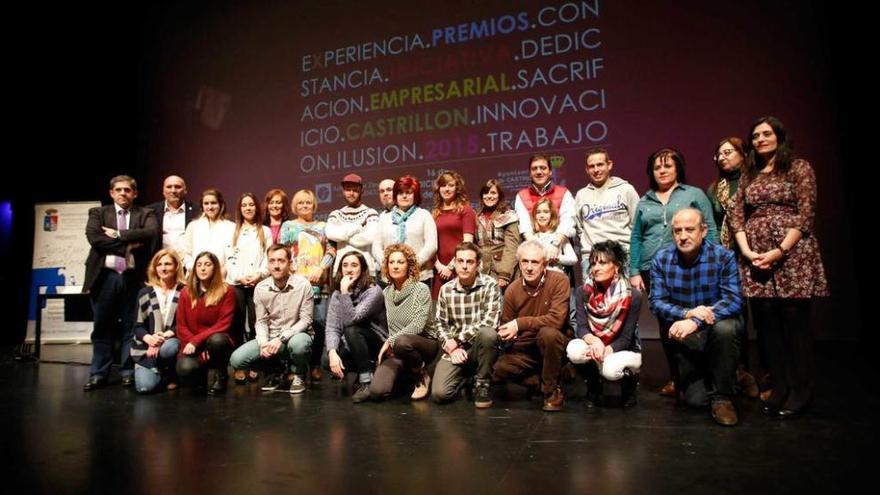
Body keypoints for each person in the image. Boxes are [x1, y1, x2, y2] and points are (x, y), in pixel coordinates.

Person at [731, 116, 829, 418]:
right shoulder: (750, 174)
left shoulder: (799, 168)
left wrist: (779, 250)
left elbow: (806, 213)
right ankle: (781, 386)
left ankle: (801, 389)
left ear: (779, 137)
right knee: (768, 325)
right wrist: (747, 251)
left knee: (794, 323)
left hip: (791, 254)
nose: (760, 139)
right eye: (756, 135)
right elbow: (737, 214)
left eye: (766, 134)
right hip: (755, 255)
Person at [629, 148, 718, 397]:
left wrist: (713, 262)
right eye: (657, 167)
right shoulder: (645, 200)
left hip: (688, 267)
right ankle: (676, 377)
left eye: (668, 166)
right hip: (651, 269)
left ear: (678, 168)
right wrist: (634, 270)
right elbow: (636, 237)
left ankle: (701, 376)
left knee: (693, 321)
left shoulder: (694, 194)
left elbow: (709, 229)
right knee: (666, 323)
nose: (663, 171)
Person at [650, 208, 744, 426]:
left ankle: (723, 396)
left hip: (715, 328)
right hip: (686, 334)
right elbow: (656, 302)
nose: (683, 236)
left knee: (727, 328)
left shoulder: (724, 257)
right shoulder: (662, 259)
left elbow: (734, 299)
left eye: (690, 229)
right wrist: (686, 313)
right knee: (695, 400)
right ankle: (718, 378)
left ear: (703, 231)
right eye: (677, 231)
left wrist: (696, 321)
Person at [83, 175, 158, 390]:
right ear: (111, 193)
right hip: (105, 277)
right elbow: (94, 238)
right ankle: (98, 373)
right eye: (119, 190)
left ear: (134, 193)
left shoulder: (146, 213)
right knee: (102, 327)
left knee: (130, 326)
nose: (123, 193)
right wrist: (127, 244)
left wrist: (116, 234)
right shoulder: (98, 213)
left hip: (133, 278)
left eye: (127, 190)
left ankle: (127, 371)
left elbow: (150, 233)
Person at [707, 137, 760, 398]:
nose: (723, 157)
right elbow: (713, 223)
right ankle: (738, 371)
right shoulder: (715, 187)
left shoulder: (757, 179)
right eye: (719, 154)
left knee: (762, 316)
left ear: (742, 153)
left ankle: (765, 375)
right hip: (727, 255)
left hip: (758, 251)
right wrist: (718, 254)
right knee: (735, 315)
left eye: (728, 152)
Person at [493, 240, 570, 411]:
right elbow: (507, 327)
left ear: (545, 264)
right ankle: (539, 380)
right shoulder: (512, 290)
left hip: (553, 344)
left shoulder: (559, 281)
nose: (529, 267)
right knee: (498, 369)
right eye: (524, 262)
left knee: (548, 334)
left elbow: (556, 320)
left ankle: (551, 391)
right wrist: (509, 334)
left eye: (534, 262)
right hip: (526, 347)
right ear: (519, 263)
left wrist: (520, 324)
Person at [229, 244, 314, 394]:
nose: (276, 266)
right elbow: (261, 321)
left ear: (289, 263)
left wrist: (281, 338)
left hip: (296, 335)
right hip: (271, 337)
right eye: (272, 261)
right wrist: (263, 343)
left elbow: (306, 320)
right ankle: (276, 370)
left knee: (300, 344)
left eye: (281, 261)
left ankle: (298, 373)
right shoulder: (261, 288)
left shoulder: (303, 285)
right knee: (237, 359)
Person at [566, 241, 642, 408]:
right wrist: (596, 342)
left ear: (616, 266)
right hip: (595, 343)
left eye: (603, 262)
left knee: (610, 370)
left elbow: (627, 337)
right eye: (593, 263)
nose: (596, 268)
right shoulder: (582, 292)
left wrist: (605, 351)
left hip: (622, 347)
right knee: (574, 350)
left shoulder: (632, 295)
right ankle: (594, 387)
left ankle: (629, 385)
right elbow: (582, 327)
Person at [431, 242, 501, 407]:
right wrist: (451, 345)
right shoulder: (446, 289)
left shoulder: (490, 285)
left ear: (478, 264)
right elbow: (440, 322)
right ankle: (467, 378)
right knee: (439, 394)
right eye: (460, 261)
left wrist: (459, 341)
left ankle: (482, 383)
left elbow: (489, 322)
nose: (464, 266)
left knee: (488, 334)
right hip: (456, 350)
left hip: (480, 347)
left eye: (469, 262)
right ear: (454, 263)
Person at [370, 244, 438, 401]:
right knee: (377, 391)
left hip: (424, 344)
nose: (395, 266)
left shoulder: (420, 289)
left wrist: (390, 341)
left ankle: (421, 373)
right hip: (398, 347)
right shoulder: (386, 292)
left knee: (402, 342)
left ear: (409, 265)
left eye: (400, 262)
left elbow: (418, 325)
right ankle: (406, 373)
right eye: (391, 262)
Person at [280, 189, 335, 382]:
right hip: (293, 285)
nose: (305, 206)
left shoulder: (323, 226)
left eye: (308, 203)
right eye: (301, 203)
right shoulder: (288, 226)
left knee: (318, 325)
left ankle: (315, 364)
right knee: (292, 325)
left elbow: (331, 251)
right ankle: (292, 366)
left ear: (314, 205)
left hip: (318, 286)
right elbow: (282, 252)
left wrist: (321, 268)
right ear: (295, 206)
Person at [324, 250, 387, 403]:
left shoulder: (373, 291)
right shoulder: (336, 294)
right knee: (326, 361)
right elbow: (332, 326)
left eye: (354, 265)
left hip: (376, 342)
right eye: (345, 265)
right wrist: (332, 352)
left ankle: (366, 381)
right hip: (353, 341)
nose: (349, 269)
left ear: (362, 268)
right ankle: (365, 368)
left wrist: (345, 292)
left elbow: (352, 319)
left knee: (351, 329)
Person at [225, 193, 272, 383]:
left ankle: (254, 362)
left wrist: (259, 275)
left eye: (251, 204)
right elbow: (230, 258)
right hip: (237, 283)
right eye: (244, 205)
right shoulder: (233, 230)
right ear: (240, 209)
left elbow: (269, 257)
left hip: (258, 283)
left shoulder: (265, 231)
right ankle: (238, 365)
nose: (248, 208)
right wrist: (239, 276)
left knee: (256, 322)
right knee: (236, 323)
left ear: (257, 207)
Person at [175, 251, 236, 395]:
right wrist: (195, 345)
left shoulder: (226, 291)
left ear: (215, 268)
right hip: (193, 345)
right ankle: (201, 373)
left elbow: (223, 324)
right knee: (184, 369)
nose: (202, 268)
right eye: (199, 265)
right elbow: (181, 325)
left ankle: (221, 374)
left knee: (217, 340)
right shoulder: (186, 292)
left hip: (214, 343)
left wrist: (197, 341)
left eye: (207, 265)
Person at [574, 148, 639, 279]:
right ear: (587, 170)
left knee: (625, 299)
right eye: (591, 166)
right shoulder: (581, 195)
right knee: (593, 300)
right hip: (592, 259)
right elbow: (580, 229)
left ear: (609, 165)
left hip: (622, 257)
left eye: (600, 164)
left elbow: (637, 226)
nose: (596, 169)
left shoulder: (626, 189)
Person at [131, 248, 185, 393]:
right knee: (145, 388)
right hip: (147, 347)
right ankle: (156, 371)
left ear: (176, 267)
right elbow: (137, 326)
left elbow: (185, 323)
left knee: (169, 348)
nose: (163, 268)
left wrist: (163, 336)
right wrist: (149, 339)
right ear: (154, 268)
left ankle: (170, 372)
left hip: (171, 340)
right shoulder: (145, 292)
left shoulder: (184, 291)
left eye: (168, 264)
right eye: (159, 264)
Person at [373, 175, 437, 286]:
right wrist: (387, 264)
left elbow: (431, 245)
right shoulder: (384, 218)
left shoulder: (424, 215)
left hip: (418, 276)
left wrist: (412, 265)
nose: (404, 196)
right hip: (390, 278)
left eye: (408, 193)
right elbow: (376, 246)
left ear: (415, 195)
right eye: (400, 193)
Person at [431, 171, 476, 299]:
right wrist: (439, 267)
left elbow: (468, 243)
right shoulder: (435, 213)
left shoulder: (466, 210)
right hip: (439, 271)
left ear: (457, 189)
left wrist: (451, 266)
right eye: (443, 185)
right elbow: (431, 243)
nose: (447, 189)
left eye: (451, 185)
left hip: (460, 268)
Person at [514, 153, 576, 244]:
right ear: (530, 173)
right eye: (534, 169)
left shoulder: (564, 193)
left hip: (560, 249)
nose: (539, 172)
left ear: (550, 172)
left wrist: (554, 245)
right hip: (532, 250)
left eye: (543, 168)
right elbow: (524, 226)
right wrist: (536, 249)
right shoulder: (521, 195)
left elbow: (567, 222)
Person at [326, 174, 380, 276]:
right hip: (341, 270)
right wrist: (358, 228)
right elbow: (331, 234)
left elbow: (369, 237)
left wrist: (344, 238)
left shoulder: (371, 213)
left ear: (361, 191)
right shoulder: (335, 214)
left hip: (366, 271)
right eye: (348, 190)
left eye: (355, 190)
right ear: (343, 191)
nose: (351, 193)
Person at [475, 179, 520, 289]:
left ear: (499, 195)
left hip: (502, 272)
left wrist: (505, 274)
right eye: (486, 193)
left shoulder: (509, 216)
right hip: (481, 273)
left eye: (493, 193)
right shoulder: (476, 217)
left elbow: (512, 247)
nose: (489, 196)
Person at [179, 188, 235, 272]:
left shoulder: (232, 227)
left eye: (213, 203)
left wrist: (225, 270)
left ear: (220, 204)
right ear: (202, 206)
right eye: (206, 203)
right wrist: (192, 267)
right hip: (195, 275)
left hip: (222, 277)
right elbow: (185, 252)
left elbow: (235, 255)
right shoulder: (193, 226)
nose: (210, 207)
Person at [147, 175, 195, 254]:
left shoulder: (197, 211)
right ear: (163, 191)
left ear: (185, 190)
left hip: (186, 261)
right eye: (169, 187)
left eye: (177, 187)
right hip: (161, 261)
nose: (173, 190)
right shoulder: (151, 211)